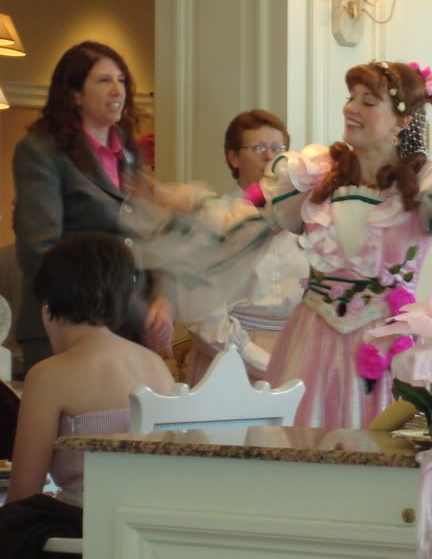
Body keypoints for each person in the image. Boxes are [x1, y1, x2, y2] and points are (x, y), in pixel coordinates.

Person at [250, 61, 432, 429]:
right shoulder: (313, 176)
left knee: (381, 446)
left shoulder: (426, 184)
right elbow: (248, 222)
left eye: (368, 101)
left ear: (402, 120)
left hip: (385, 347)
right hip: (311, 344)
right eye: (351, 98)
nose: (351, 108)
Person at [12, 41, 174, 370]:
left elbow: (151, 238)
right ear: (75, 94)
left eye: (121, 80)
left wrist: (163, 300)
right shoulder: (41, 151)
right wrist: (138, 312)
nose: (118, 90)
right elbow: (40, 254)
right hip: (67, 330)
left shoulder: (128, 152)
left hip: (132, 332)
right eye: (104, 80)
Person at [7, 232, 175, 506]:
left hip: (83, 527)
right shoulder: (155, 364)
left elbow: (23, 496)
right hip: (154, 521)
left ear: (48, 305)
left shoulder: (48, 376)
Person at [186, 110, 308, 383]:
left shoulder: (306, 218)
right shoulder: (214, 216)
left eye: (278, 148)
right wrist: (265, 364)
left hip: (296, 358)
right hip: (229, 359)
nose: (270, 156)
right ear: (233, 157)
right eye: (258, 148)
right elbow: (203, 315)